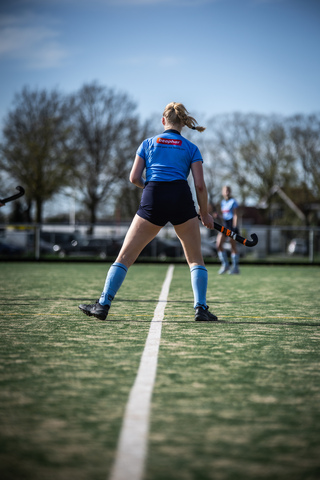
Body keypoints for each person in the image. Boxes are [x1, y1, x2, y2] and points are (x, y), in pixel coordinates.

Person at [79, 102, 218, 322]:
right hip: (181, 198)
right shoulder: (191, 148)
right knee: (195, 260)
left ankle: (103, 305)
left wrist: (152, 190)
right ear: (182, 123)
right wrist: (205, 213)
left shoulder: (148, 143)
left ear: (163, 121)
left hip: (153, 195)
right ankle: (200, 309)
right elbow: (200, 186)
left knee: (125, 257)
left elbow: (134, 178)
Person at [216, 185, 240, 274]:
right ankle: (225, 265)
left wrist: (234, 227)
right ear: (222, 192)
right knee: (218, 245)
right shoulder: (222, 203)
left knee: (233, 247)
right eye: (225, 191)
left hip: (231, 226)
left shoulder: (233, 202)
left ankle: (235, 267)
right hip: (224, 225)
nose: (227, 192)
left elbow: (235, 215)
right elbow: (224, 216)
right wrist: (218, 216)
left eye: (228, 190)